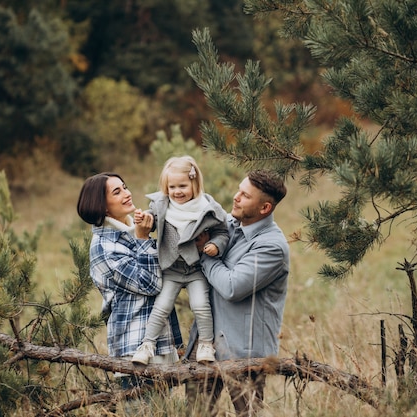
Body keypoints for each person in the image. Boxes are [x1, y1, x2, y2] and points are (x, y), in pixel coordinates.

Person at [185, 169, 289, 417]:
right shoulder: (227, 227)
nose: (236, 197)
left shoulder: (272, 246)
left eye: (245, 195)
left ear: (264, 208)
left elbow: (232, 287)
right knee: (196, 413)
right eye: (239, 189)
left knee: (248, 414)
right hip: (206, 346)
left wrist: (204, 254)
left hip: (245, 352)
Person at [76, 172, 182, 388]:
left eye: (125, 187)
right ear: (103, 206)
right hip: (133, 350)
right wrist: (144, 239)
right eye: (117, 191)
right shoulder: (104, 246)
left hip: (160, 345)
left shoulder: (131, 232)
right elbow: (151, 284)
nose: (127, 193)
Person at [131, 156, 229, 365]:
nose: (177, 191)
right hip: (171, 268)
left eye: (183, 186)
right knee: (162, 306)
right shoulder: (162, 205)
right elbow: (153, 218)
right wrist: (143, 218)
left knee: (201, 305)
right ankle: (147, 345)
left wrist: (215, 245)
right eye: (172, 186)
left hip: (196, 269)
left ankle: (205, 344)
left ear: (195, 183)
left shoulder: (207, 208)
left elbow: (222, 232)